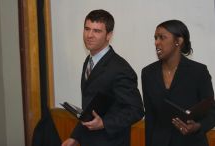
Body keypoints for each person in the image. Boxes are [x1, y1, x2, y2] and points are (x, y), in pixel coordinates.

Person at [62, 9, 144, 146]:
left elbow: (136, 110)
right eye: (87, 29)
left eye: (97, 31)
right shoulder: (89, 61)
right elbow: (90, 108)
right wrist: (75, 137)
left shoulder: (120, 69)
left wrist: (104, 123)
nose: (89, 35)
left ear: (109, 35)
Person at [141, 19, 215, 146]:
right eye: (155, 38)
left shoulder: (199, 72)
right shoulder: (148, 73)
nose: (156, 42)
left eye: (162, 37)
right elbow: (150, 117)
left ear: (178, 41)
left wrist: (197, 126)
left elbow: (211, 112)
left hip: (191, 142)